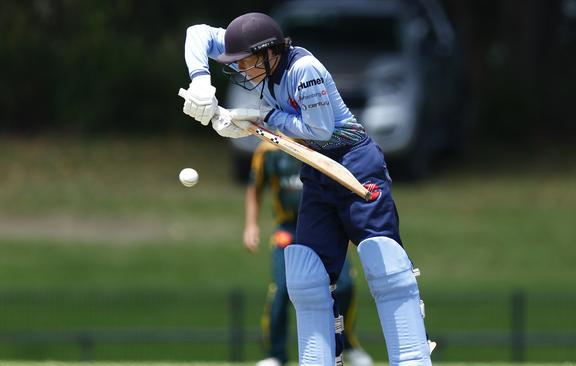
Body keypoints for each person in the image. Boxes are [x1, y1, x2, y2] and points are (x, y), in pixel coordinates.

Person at [182, 12, 434, 365]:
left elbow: (318, 129)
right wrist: (199, 82)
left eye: (245, 63)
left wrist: (256, 119)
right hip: (317, 170)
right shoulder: (260, 59)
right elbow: (199, 32)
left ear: (269, 53)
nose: (240, 71)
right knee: (307, 274)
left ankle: (412, 360)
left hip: (354, 163)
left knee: (385, 263)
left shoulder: (304, 70)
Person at [244, 142, 373, 366]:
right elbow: (254, 188)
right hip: (288, 230)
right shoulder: (268, 151)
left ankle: (348, 344)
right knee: (282, 290)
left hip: (326, 226)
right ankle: (276, 355)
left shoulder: (323, 145)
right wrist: (251, 225)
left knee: (344, 285)